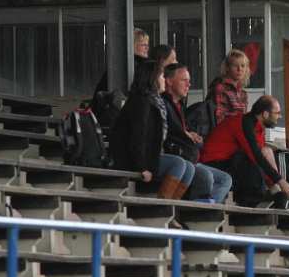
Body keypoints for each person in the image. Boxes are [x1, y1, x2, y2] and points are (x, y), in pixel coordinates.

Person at [109, 61, 195, 199]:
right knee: (178, 164)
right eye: (161, 76)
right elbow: (138, 137)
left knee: (189, 168)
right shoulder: (141, 102)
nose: (164, 80)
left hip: (151, 155)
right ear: (152, 78)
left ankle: (173, 206)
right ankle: (162, 205)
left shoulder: (156, 101)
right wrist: (142, 167)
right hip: (134, 160)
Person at [200, 95, 289, 207]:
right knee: (247, 159)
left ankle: (275, 193)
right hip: (213, 164)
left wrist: (275, 184)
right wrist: (280, 181)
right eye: (277, 113)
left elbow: (262, 155)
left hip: (226, 162)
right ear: (265, 114)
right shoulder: (245, 123)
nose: (280, 116)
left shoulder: (257, 126)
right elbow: (256, 156)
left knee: (266, 151)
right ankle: (254, 200)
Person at [163, 63, 233, 203]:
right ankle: (195, 210)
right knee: (206, 177)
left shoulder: (180, 105)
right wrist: (187, 135)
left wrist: (192, 134)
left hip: (190, 158)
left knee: (226, 179)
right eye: (184, 80)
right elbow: (171, 133)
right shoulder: (164, 104)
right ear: (169, 81)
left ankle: (205, 208)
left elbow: (183, 130)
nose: (189, 85)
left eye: (189, 81)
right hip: (178, 158)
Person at [91, 28, 149, 101]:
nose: (147, 48)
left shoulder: (137, 64)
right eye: (143, 45)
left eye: (147, 45)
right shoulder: (128, 65)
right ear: (132, 45)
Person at [211, 49, 250, 125]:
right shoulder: (220, 88)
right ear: (227, 68)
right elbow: (218, 119)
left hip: (239, 129)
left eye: (242, 66)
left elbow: (243, 117)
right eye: (235, 65)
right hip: (225, 129)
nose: (239, 69)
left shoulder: (243, 93)